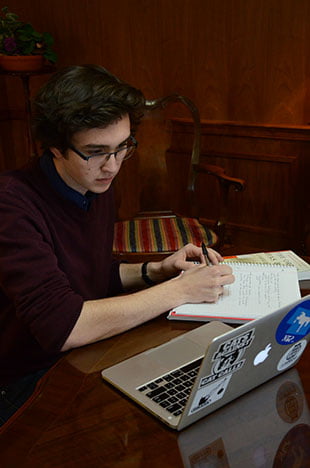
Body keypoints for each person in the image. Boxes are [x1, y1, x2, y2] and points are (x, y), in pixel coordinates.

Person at [0, 65, 234, 425]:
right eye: (96, 151)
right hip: (23, 380)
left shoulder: (93, 183)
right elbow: (63, 326)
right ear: (53, 148)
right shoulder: (11, 205)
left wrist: (154, 270)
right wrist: (179, 290)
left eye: (122, 147)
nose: (112, 166)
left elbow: (88, 274)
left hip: (78, 358)